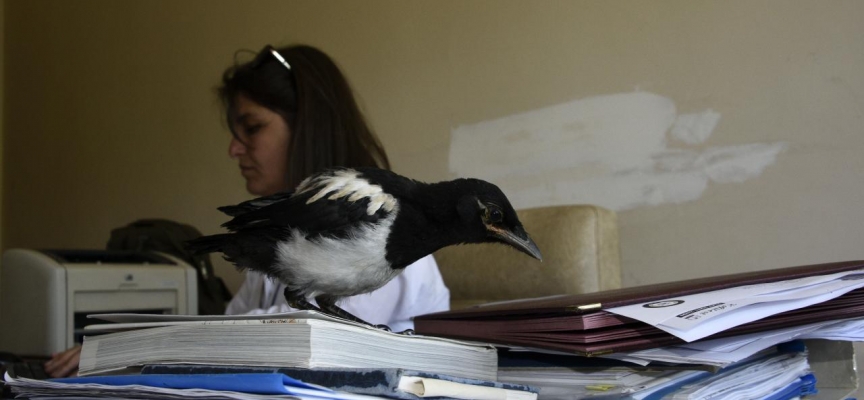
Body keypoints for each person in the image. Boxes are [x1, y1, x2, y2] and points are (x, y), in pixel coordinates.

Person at [43, 44, 450, 378]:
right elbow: (234, 328)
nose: (234, 150)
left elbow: (308, 340)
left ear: (308, 125)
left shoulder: (391, 237)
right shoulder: (280, 238)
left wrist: (135, 344)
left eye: (252, 128)